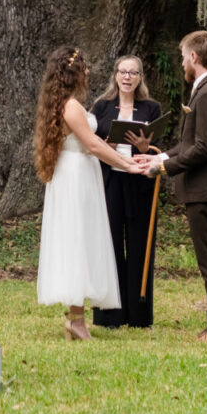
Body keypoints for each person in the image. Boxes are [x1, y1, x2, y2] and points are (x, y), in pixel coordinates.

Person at [34, 46, 149, 340]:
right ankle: (76, 320)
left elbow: (95, 144)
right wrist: (130, 167)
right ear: (74, 73)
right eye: (84, 68)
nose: (88, 72)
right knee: (78, 244)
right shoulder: (72, 107)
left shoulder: (67, 104)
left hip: (79, 172)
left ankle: (76, 317)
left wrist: (125, 158)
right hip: (76, 178)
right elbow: (94, 146)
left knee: (81, 243)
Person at [139, 30, 207, 343]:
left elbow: (203, 148)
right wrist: (161, 156)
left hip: (204, 189)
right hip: (205, 189)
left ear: (194, 57)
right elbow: (189, 142)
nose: (182, 62)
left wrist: (164, 168)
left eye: (183, 56)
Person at [89, 55, 163, 328]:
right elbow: (91, 142)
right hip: (110, 183)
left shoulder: (151, 108)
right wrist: (103, 144)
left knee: (140, 246)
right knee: (108, 246)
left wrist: (145, 150)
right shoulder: (102, 106)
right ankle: (109, 314)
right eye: (123, 72)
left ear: (140, 77)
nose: (128, 77)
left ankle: (139, 315)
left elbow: (159, 148)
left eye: (133, 72)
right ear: (116, 75)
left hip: (140, 183)